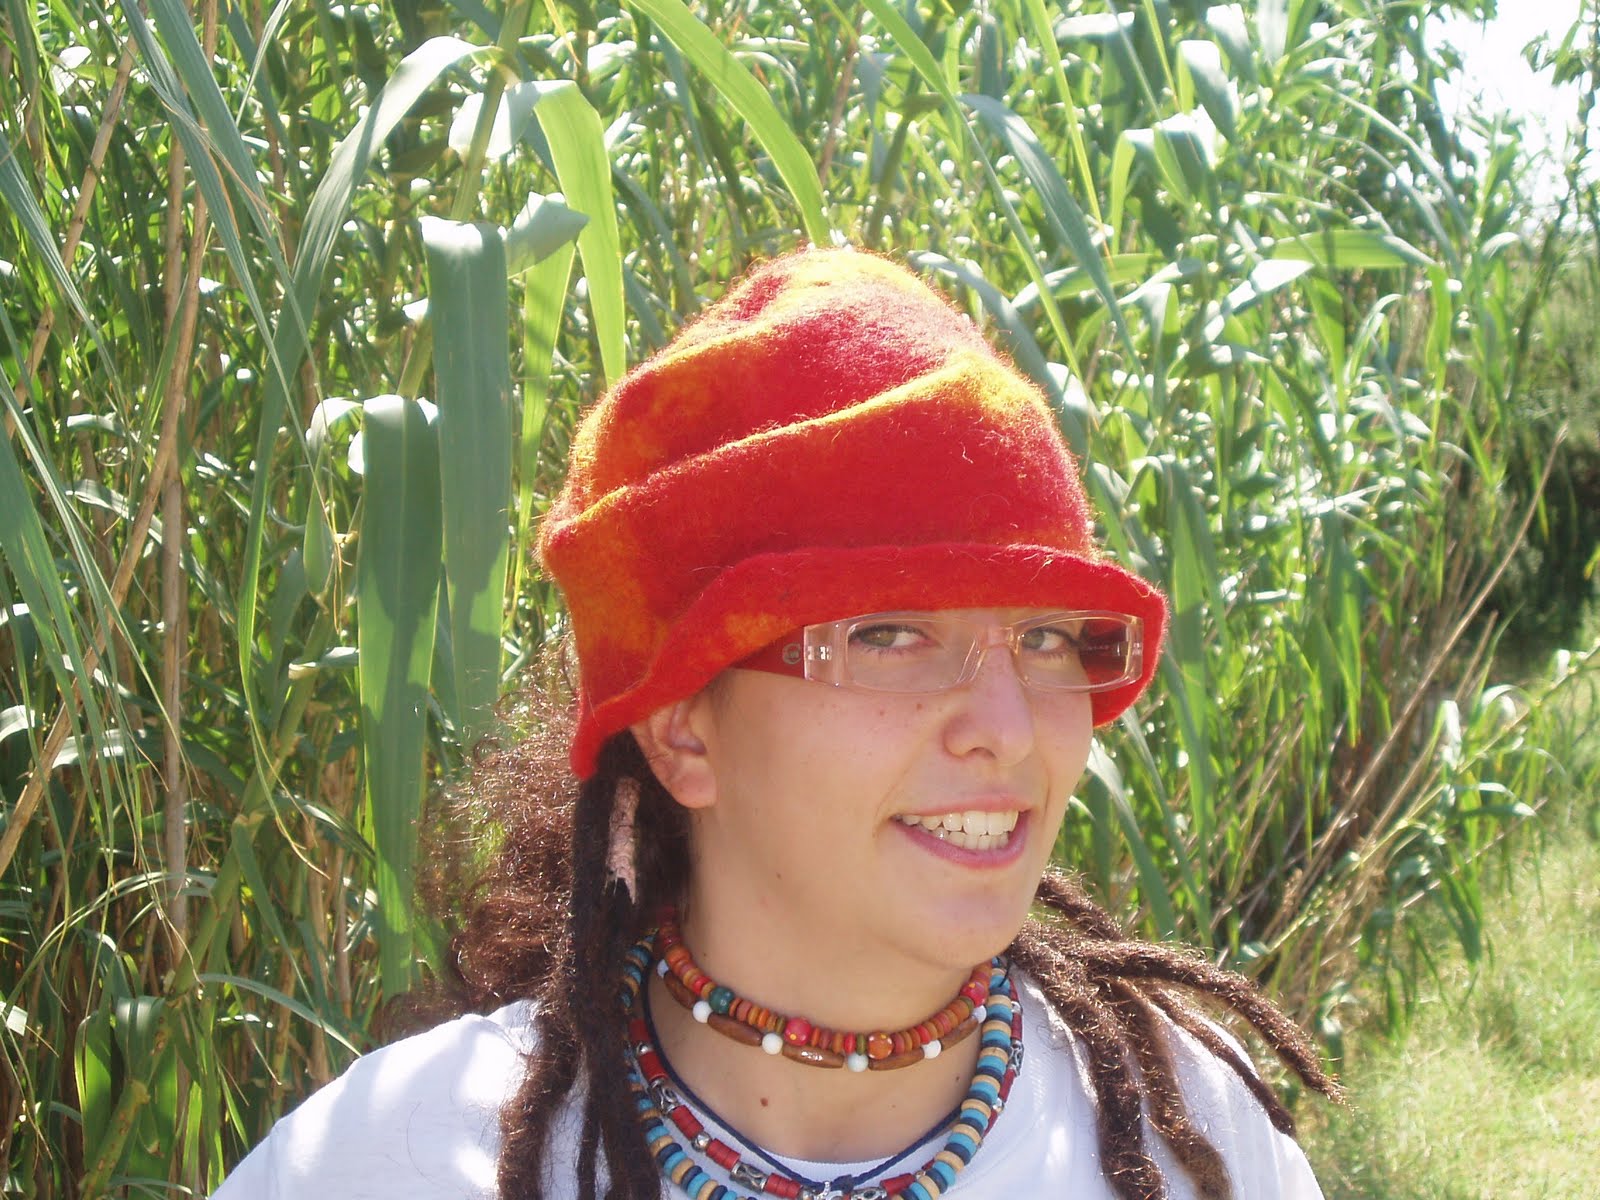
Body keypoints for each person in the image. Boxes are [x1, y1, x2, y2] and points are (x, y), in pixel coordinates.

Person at [214, 247, 1338, 1200]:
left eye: (1048, 638)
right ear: (682, 729)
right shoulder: (394, 1161)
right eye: (889, 635)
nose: (1007, 727)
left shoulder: (1190, 1140)